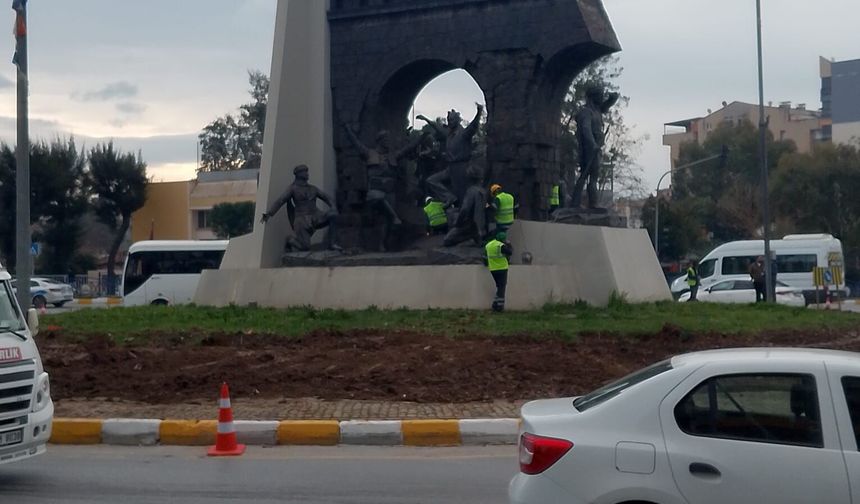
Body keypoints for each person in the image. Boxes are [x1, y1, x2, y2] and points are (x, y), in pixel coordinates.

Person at [261, 165, 340, 252]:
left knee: (333, 215)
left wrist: (333, 207)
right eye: (304, 172)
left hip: (316, 216)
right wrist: (269, 213)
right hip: (302, 220)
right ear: (298, 174)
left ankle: (332, 244)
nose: (307, 174)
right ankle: (290, 240)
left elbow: (327, 197)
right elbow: (281, 200)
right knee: (305, 247)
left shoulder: (313, 188)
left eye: (307, 172)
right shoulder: (293, 188)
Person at [417, 103, 484, 207]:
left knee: (461, 192)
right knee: (431, 180)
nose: (449, 122)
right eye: (448, 120)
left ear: (457, 120)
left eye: (451, 120)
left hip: (461, 167)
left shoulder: (463, 134)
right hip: (450, 167)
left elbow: (473, 126)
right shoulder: (448, 134)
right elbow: (437, 127)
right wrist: (426, 119)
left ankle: (461, 212)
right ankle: (449, 197)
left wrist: (479, 113)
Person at [485, 231, 513, 312]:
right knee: (502, 287)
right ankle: (499, 307)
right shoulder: (501, 245)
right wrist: (509, 244)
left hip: (493, 269)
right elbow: (510, 252)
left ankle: (495, 304)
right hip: (502, 268)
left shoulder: (488, 245)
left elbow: (485, 256)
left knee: (499, 286)